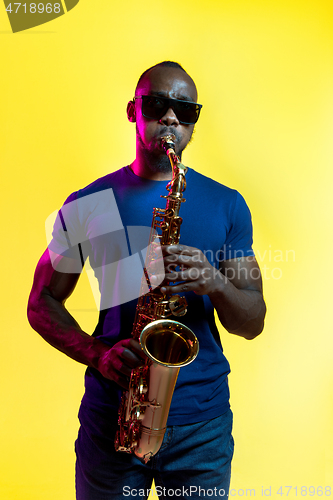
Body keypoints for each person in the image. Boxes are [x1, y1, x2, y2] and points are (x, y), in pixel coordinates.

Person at [28, 61, 266, 499]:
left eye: (186, 110)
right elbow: (41, 302)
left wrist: (215, 282)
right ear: (132, 111)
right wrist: (98, 355)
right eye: (157, 104)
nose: (171, 118)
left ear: (194, 121)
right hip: (112, 419)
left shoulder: (228, 205)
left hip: (201, 428)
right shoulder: (86, 203)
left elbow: (252, 321)